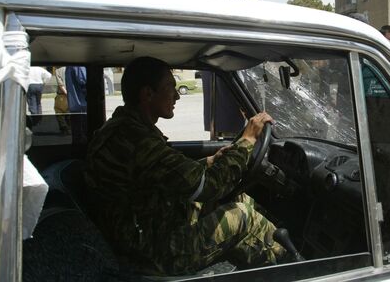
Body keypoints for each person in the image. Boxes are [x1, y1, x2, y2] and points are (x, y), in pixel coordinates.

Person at [84, 56, 286, 276]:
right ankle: (296, 267)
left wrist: (210, 161)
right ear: (147, 94)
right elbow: (209, 186)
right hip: (150, 252)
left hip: (143, 227)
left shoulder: (123, 129)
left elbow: (164, 173)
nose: (177, 95)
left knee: (238, 197)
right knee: (242, 215)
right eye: (170, 87)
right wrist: (247, 140)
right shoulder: (138, 140)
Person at [65, 66, 87, 145]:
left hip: (75, 108)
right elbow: (84, 80)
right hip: (82, 108)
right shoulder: (78, 65)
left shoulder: (70, 66)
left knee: (77, 138)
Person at [54, 66, 71, 135]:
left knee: (59, 112)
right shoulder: (72, 68)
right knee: (69, 112)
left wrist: (66, 93)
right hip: (72, 94)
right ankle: (69, 128)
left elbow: (60, 84)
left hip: (62, 95)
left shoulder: (58, 70)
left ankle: (64, 129)